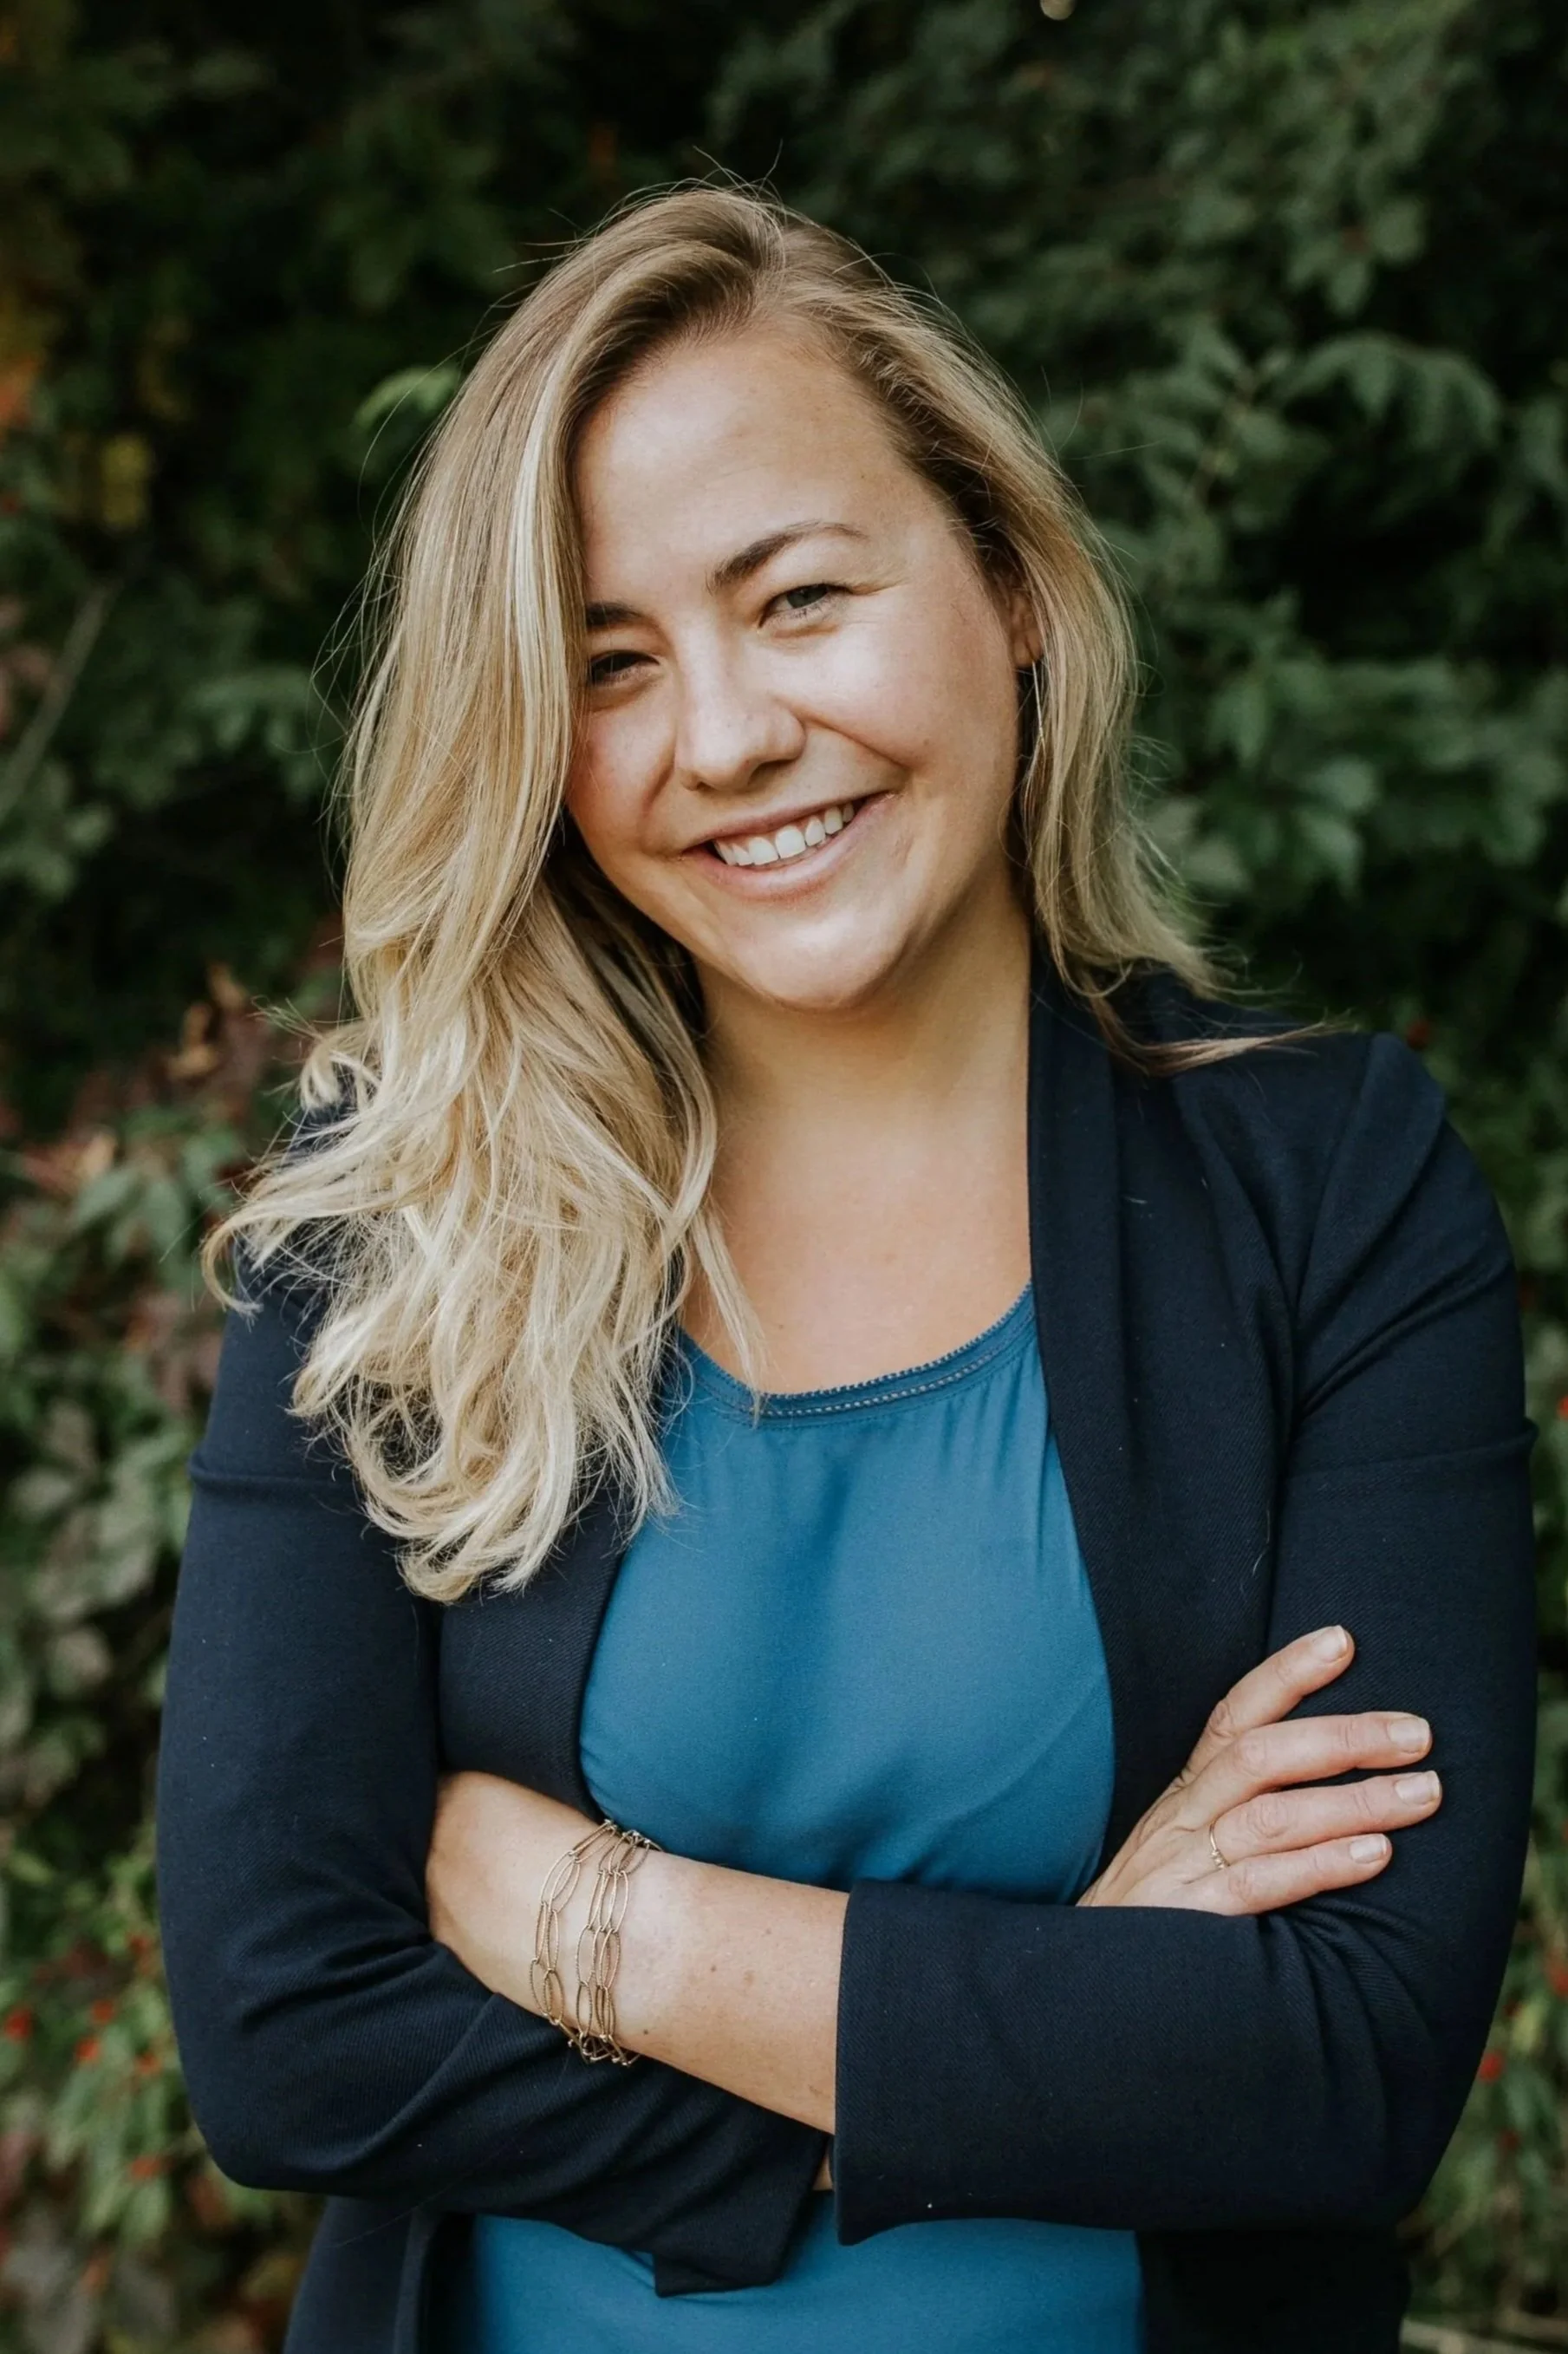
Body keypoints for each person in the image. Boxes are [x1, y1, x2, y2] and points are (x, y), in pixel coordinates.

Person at [155, 187, 1537, 2354]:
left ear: (1004, 587)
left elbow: (1337, 2071)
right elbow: (283, 2031)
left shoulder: (1326, 1182)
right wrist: (1057, 2007)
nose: (721, 738)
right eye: (610, 664)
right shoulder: (402, 1213)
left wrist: (596, 1922)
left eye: (797, 599)